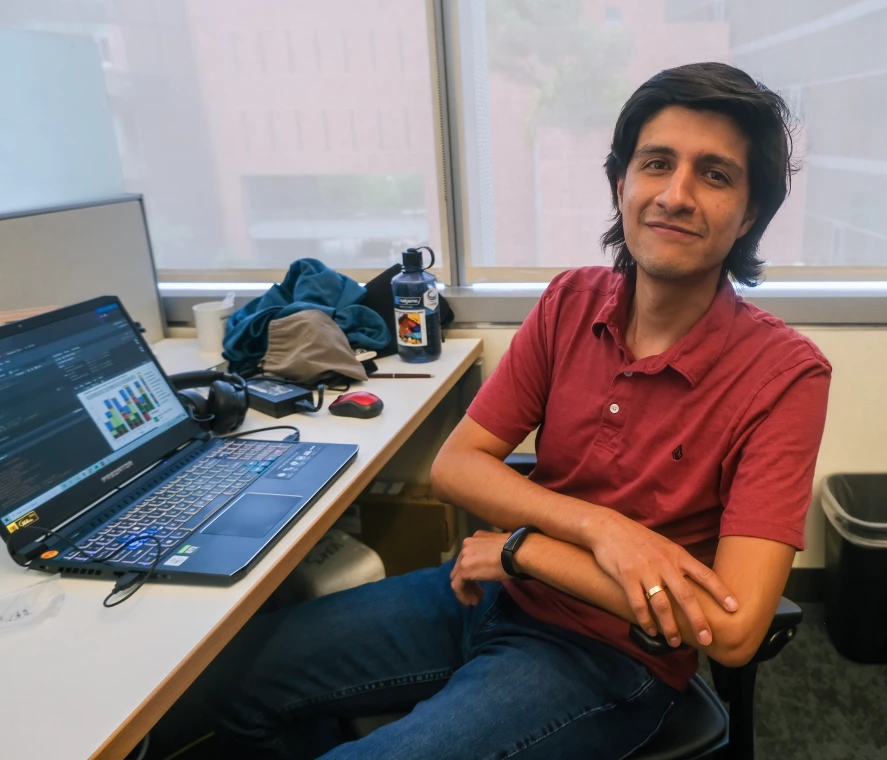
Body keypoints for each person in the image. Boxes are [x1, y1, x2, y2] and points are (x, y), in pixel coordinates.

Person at [211, 61, 832, 759]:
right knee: (227, 682)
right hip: (485, 597)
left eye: (714, 174)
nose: (676, 195)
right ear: (620, 183)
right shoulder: (571, 301)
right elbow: (458, 465)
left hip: (609, 656)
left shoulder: (785, 375)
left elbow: (740, 627)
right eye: (656, 163)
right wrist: (602, 531)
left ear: (749, 214)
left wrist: (522, 549)